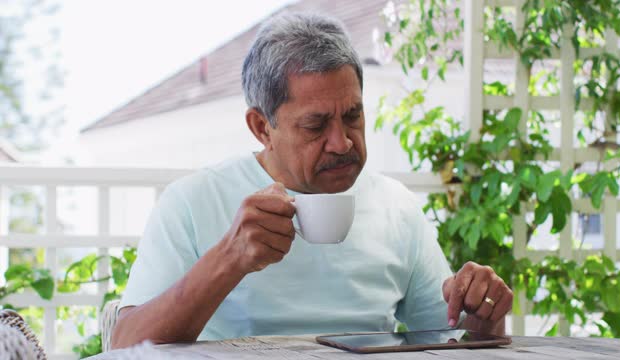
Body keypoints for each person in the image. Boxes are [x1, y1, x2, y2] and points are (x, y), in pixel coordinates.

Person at [111, 12, 513, 349]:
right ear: (261, 127)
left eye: (353, 116)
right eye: (315, 125)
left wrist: (483, 320)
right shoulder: (194, 202)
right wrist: (229, 259)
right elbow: (125, 347)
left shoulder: (397, 206)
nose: (341, 143)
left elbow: (451, 342)